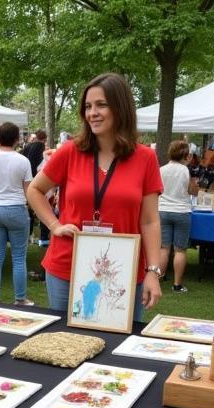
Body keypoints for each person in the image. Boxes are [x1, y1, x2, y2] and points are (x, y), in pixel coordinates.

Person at [27, 73, 163, 321]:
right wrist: (54, 225)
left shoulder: (145, 158)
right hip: (66, 266)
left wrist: (153, 270)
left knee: (117, 353)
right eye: (88, 107)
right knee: (63, 346)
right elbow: (34, 190)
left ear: (120, 107)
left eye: (101, 105)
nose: (93, 113)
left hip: (122, 272)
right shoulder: (71, 151)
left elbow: (150, 221)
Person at [0, 121, 35, 306]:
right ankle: (20, 298)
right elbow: (29, 190)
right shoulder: (23, 161)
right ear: (17, 139)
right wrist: (31, 208)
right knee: (19, 258)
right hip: (17, 208)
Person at [157, 139, 196, 294]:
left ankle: (158, 279)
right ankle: (177, 284)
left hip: (163, 209)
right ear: (186, 155)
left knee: (164, 248)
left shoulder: (162, 169)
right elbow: (193, 191)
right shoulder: (185, 170)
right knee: (180, 250)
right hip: (181, 211)